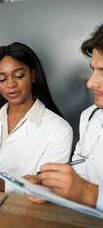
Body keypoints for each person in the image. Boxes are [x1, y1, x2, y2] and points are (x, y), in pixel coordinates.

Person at [0, 42, 73, 194]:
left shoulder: (59, 129)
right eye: (2, 79)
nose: (11, 84)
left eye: (19, 76)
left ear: (33, 75)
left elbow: (48, 187)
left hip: (25, 212)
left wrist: (1, 184)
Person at [25, 23, 103, 212]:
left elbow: (87, 190)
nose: (91, 83)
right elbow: (84, 164)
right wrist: (52, 184)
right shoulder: (90, 116)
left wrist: (90, 194)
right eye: (93, 70)